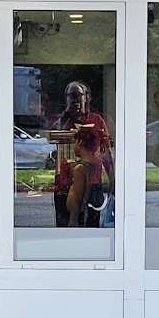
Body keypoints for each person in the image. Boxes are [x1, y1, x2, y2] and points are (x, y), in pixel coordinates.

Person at [51, 80, 113, 226]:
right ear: (66, 98)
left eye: (79, 95)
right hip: (65, 184)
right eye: (71, 95)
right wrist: (67, 114)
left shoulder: (97, 120)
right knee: (65, 227)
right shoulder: (60, 120)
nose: (76, 99)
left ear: (87, 97)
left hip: (92, 182)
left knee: (91, 225)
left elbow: (106, 151)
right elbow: (49, 137)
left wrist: (112, 178)